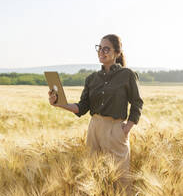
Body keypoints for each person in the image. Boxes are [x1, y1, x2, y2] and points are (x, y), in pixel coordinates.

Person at [49, 34, 143, 183]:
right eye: (99, 48)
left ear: (117, 53)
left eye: (106, 49)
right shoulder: (92, 79)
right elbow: (82, 107)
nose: (102, 52)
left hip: (115, 129)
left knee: (121, 179)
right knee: (93, 177)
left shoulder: (127, 75)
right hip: (94, 128)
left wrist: (127, 128)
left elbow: (137, 103)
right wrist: (60, 103)